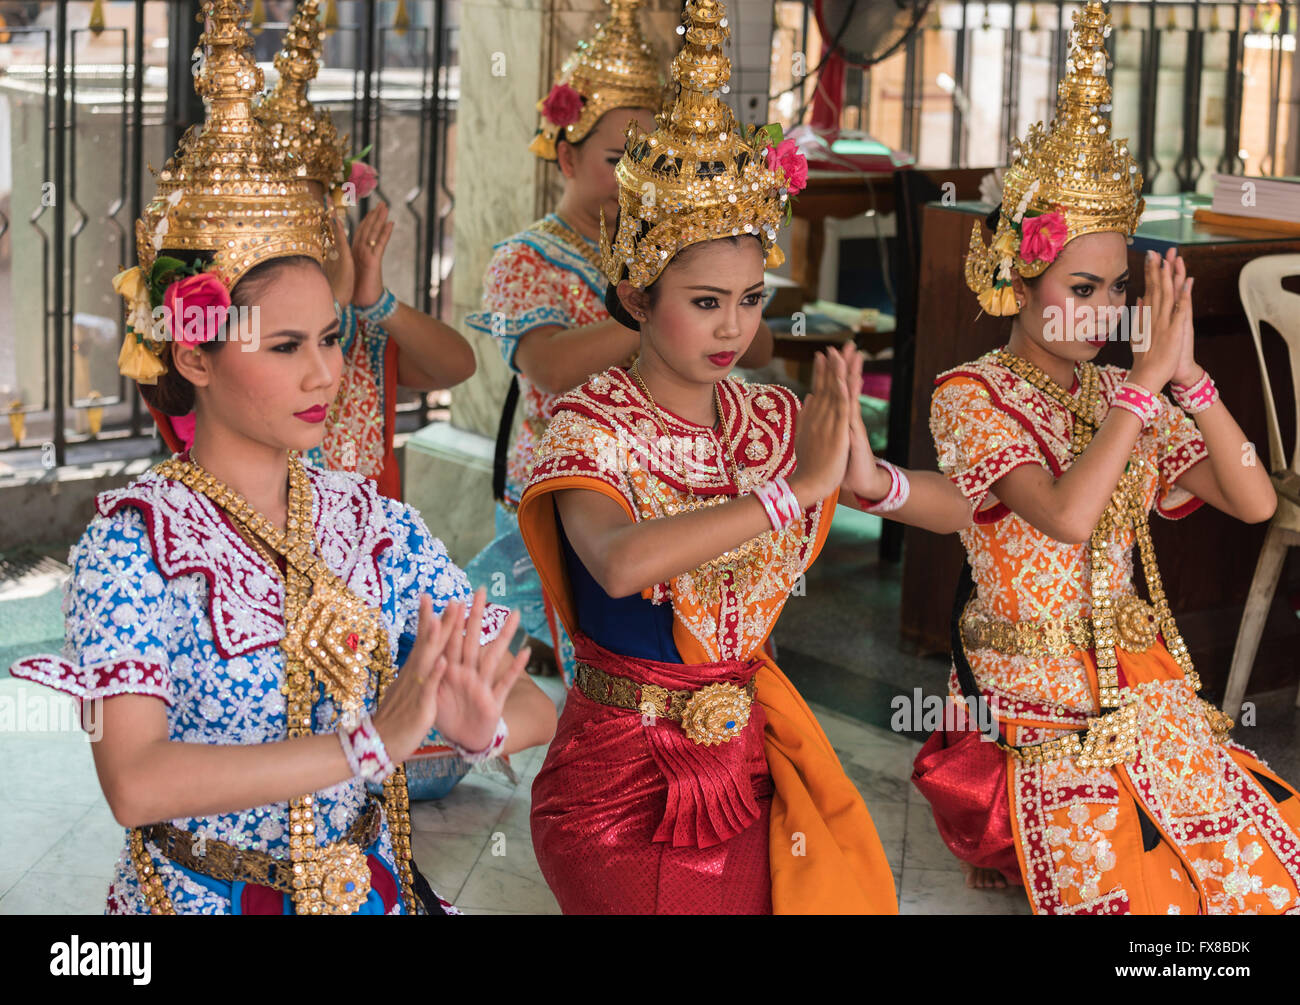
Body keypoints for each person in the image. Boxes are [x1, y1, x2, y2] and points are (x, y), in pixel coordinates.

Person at [9, 0, 548, 915]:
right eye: (287, 346)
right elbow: (135, 781)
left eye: (332, 338)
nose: (328, 372)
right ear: (194, 354)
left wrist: (472, 724)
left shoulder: (371, 523)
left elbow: (526, 701)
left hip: (365, 889)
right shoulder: (136, 547)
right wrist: (370, 742)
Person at [910, 1, 1300, 914]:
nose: (1103, 309)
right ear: (1018, 277)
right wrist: (1143, 388)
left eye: (1116, 288)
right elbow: (1065, 512)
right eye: (1080, 287)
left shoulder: (1113, 394)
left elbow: (1250, 499)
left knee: (1259, 866)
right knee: (1139, 897)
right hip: (1034, 696)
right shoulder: (970, 394)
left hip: (1139, 679)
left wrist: (1192, 379)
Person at [514, 0, 897, 914]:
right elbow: (617, 561)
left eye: (752, 299)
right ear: (639, 297)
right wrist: (789, 494)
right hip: (616, 783)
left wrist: (875, 479)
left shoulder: (768, 414)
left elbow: (966, 509)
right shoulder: (588, 417)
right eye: (706, 300)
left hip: (744, 763)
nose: (735, 326)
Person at [463, 0, 773, 687]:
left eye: (648, 160)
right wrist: (652, 307)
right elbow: (544, 366)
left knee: (701, 655)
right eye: (617, 159)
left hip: (686, 469)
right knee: (611, 664)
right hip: (580, 478)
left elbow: (754, 348)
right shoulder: (526, 256)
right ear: (567, 154)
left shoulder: (684, 259)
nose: (633, 177)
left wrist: (715, 290)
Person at [145, 0, 477, 501]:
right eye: (285, 347)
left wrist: (373, 303)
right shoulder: (221, 332)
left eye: (320, 220)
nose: (322, 373)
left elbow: (457, 368)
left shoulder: (359, 337)